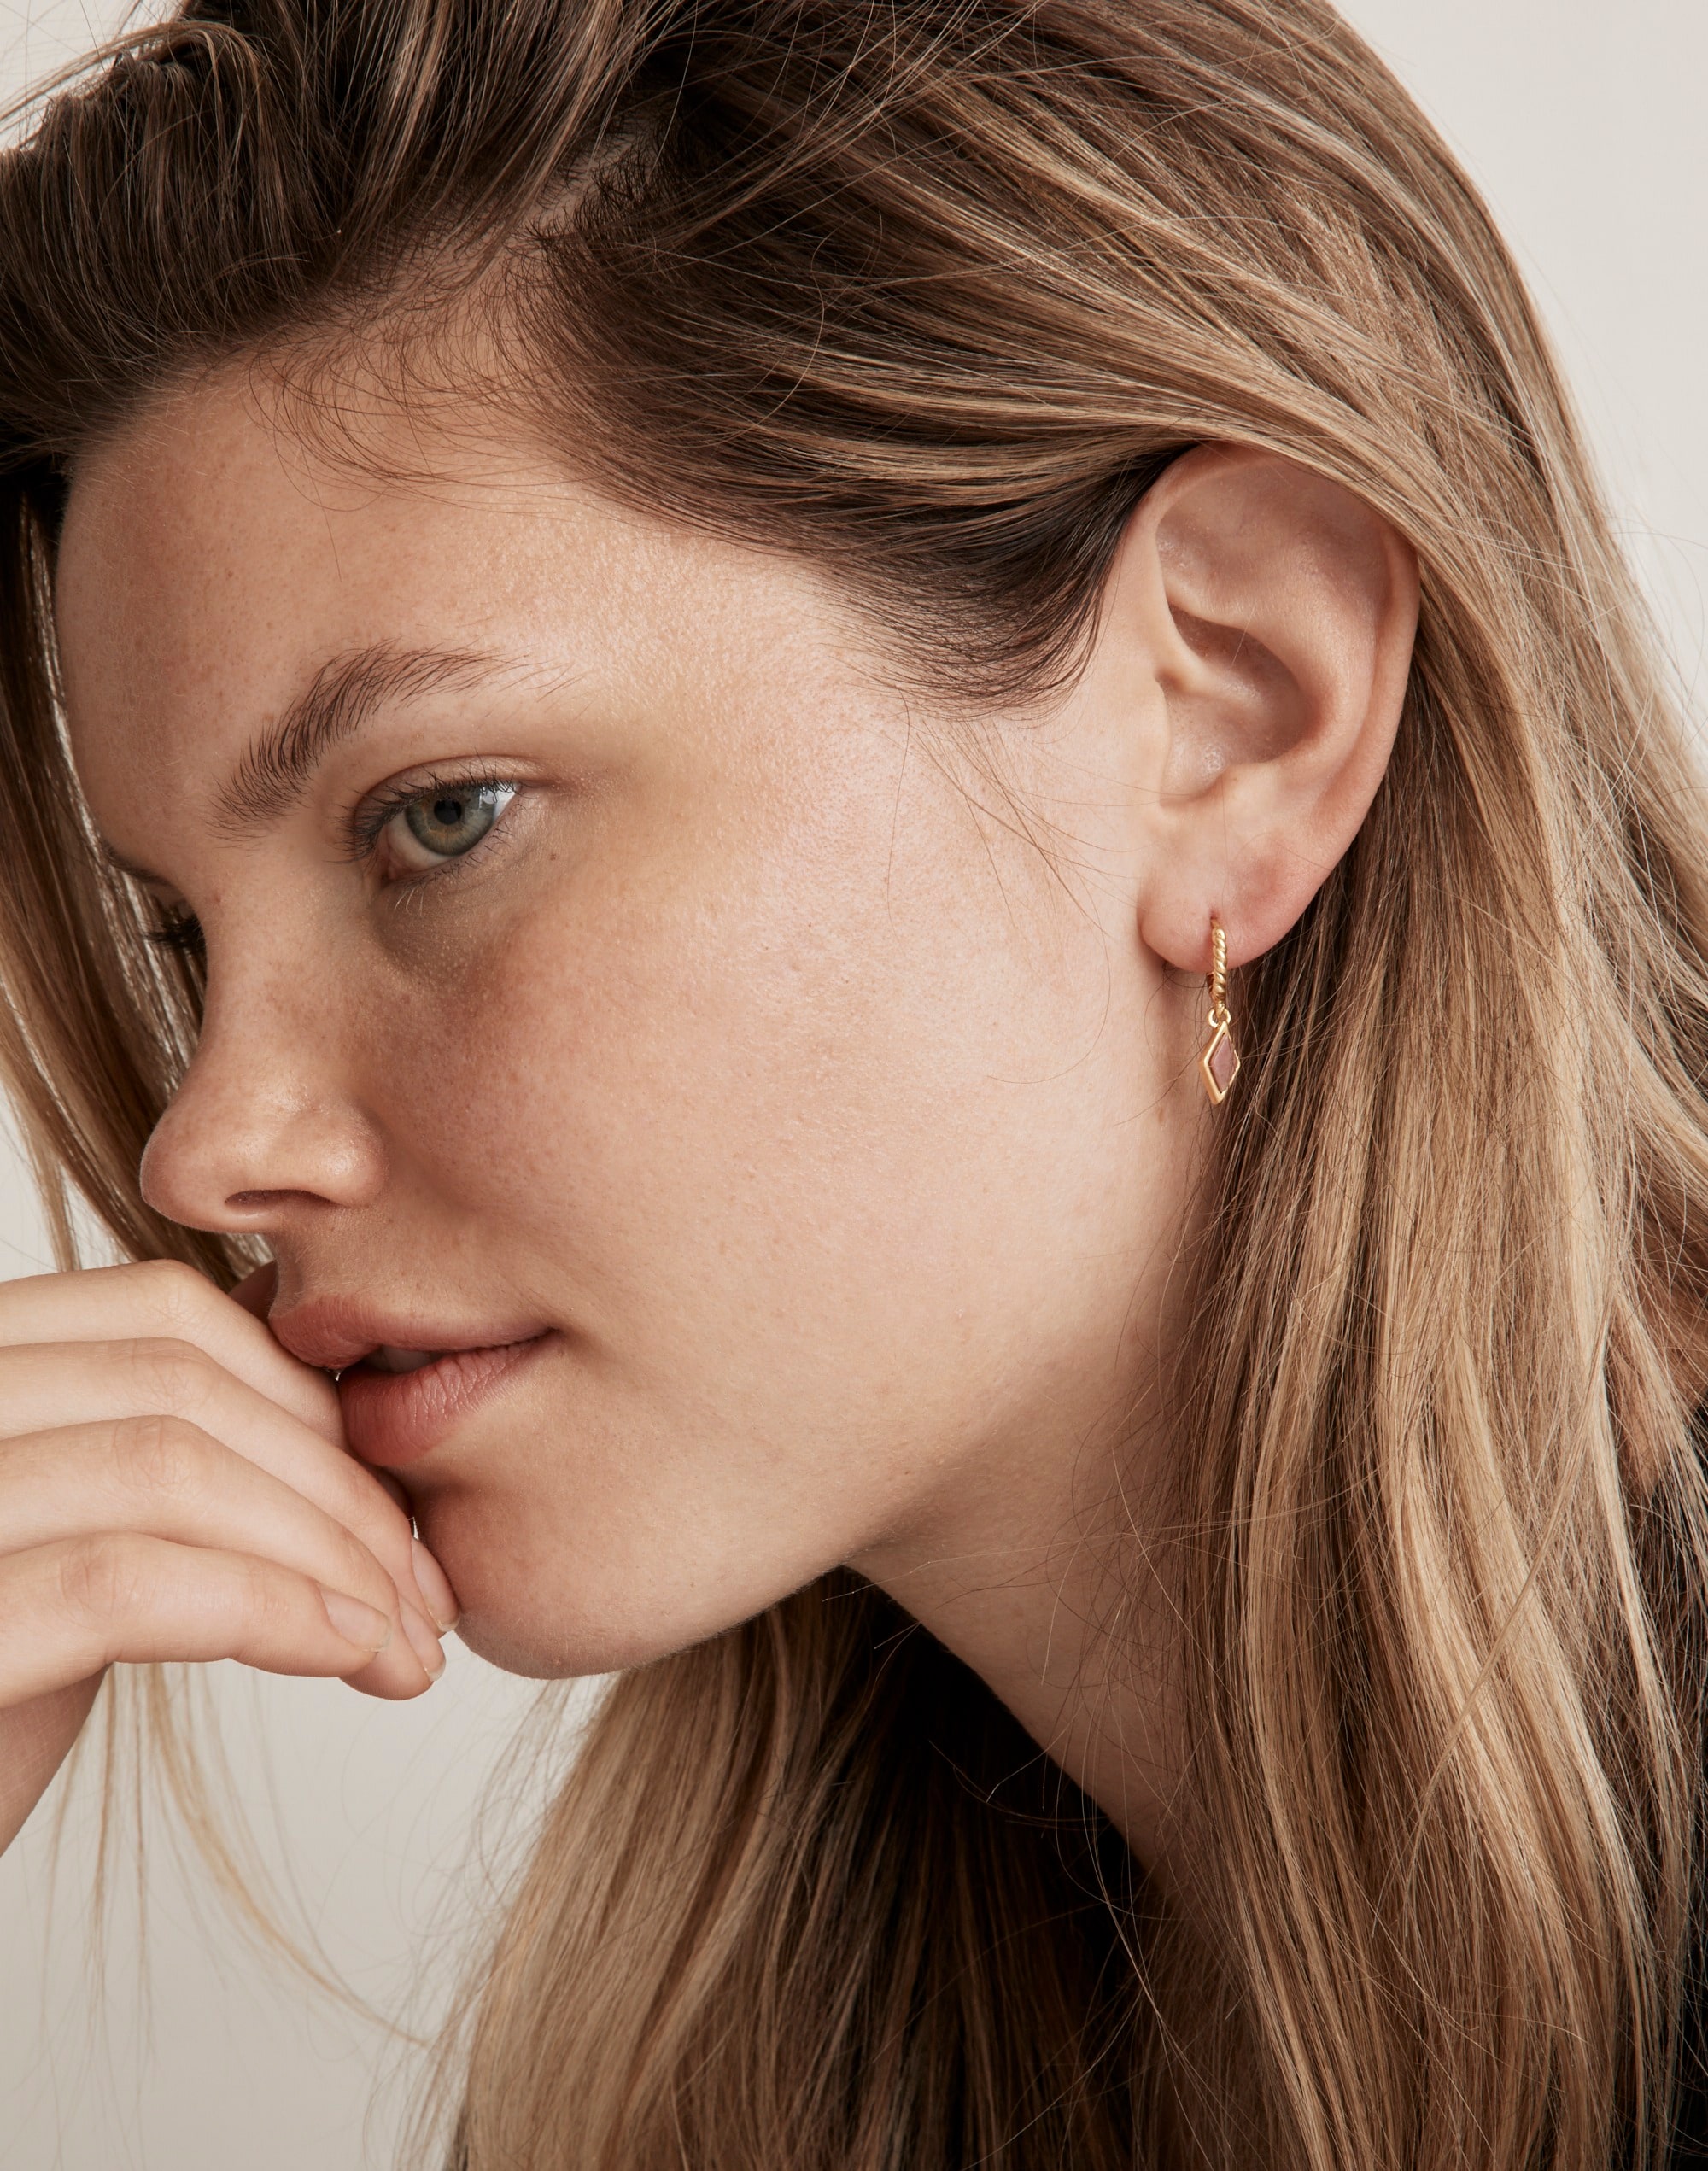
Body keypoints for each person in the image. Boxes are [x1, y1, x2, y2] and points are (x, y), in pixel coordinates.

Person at [1, 1, 1705, 2164]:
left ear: (1231, 710)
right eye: (182, 939)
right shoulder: (824, 2014)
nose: (209, 1142)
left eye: (442, 816)